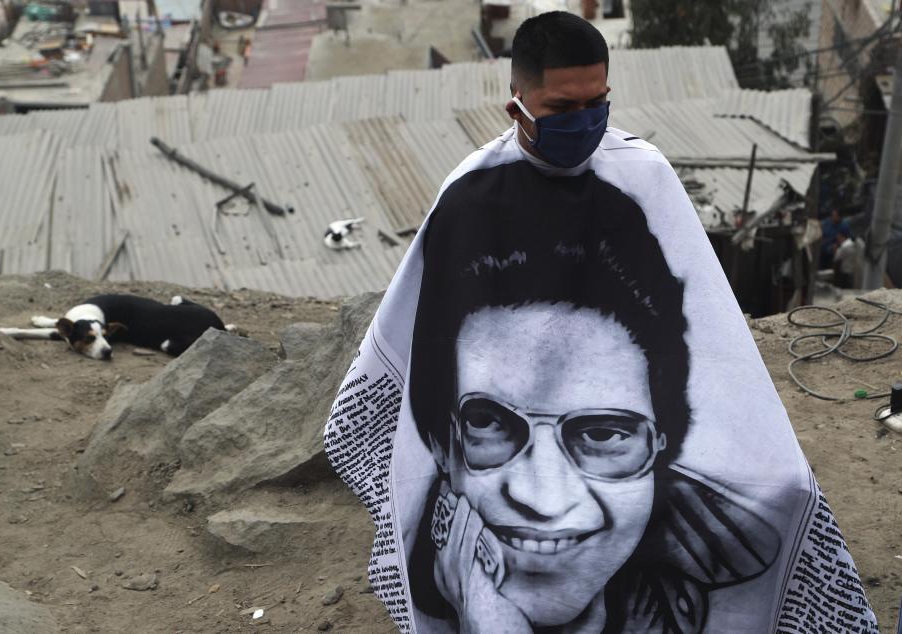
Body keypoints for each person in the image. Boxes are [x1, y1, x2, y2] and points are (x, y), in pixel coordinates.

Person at [324, 11, 879, 634]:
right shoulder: (470, 195)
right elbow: (416, 339)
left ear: (661, 437)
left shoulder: (645, 178)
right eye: (563, 107)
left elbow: (711, 329)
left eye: (599, 103)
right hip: (498, 437)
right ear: (518, 106)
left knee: (785, 491)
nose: (585, 122)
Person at [406, 163, 780, 633]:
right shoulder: (410, 551)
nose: (543, 500)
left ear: (663, 445)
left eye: (602, 433)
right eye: (489, 422)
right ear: (441, 441)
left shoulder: (717, 572)